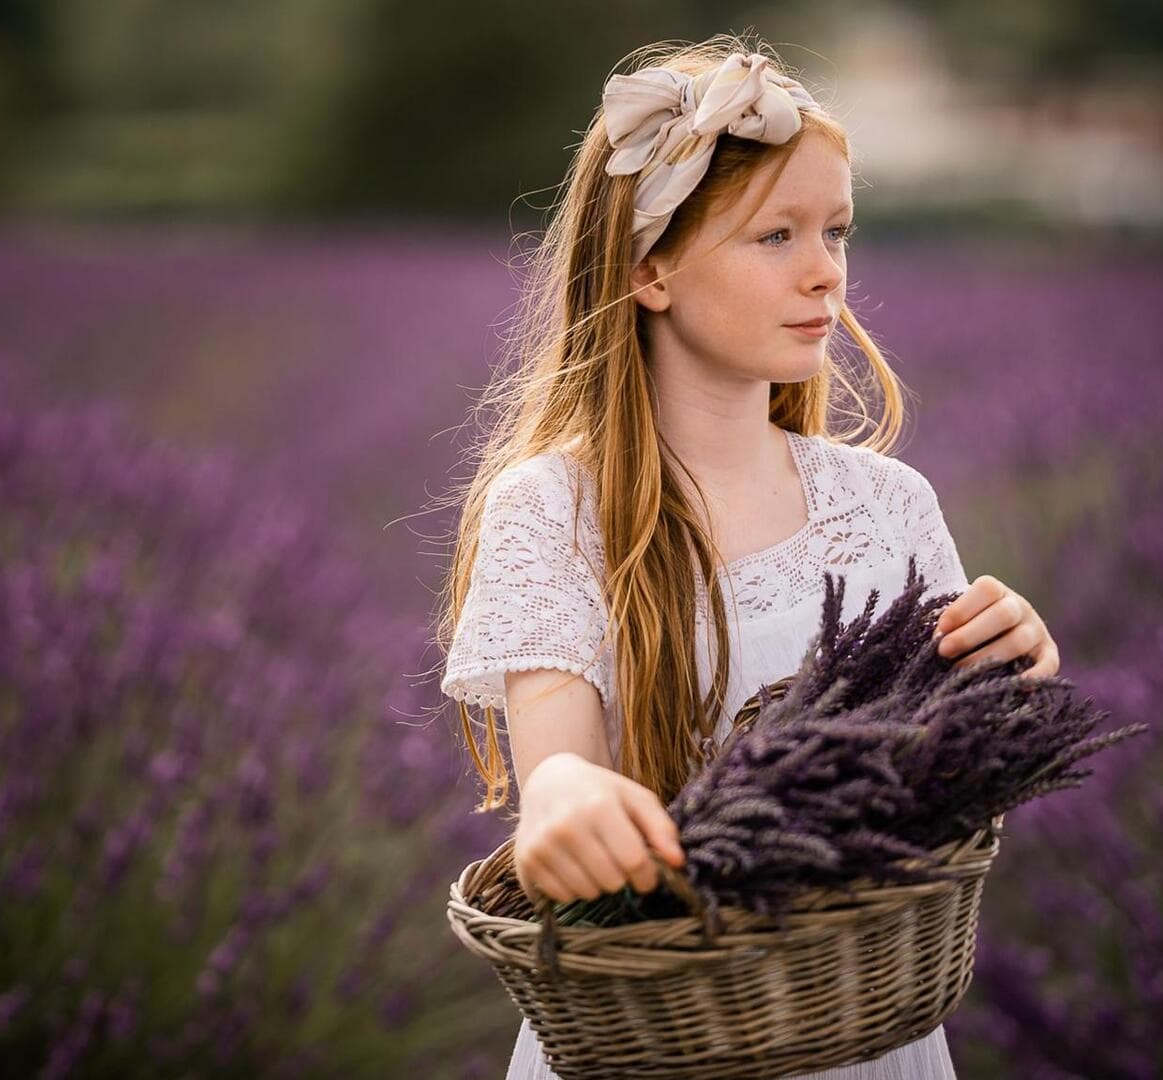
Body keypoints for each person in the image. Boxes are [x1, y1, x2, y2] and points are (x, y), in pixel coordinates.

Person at [434, 33, 1061, 1080]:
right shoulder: (552, 508)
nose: (827, 272)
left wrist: (1010, 675)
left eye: (838, 231)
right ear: (650, 268)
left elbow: (946, 801)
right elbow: (560, 770)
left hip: (866, 1031)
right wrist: (567, 807)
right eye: (776, 235)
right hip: (653, 1032)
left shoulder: (888, 506)